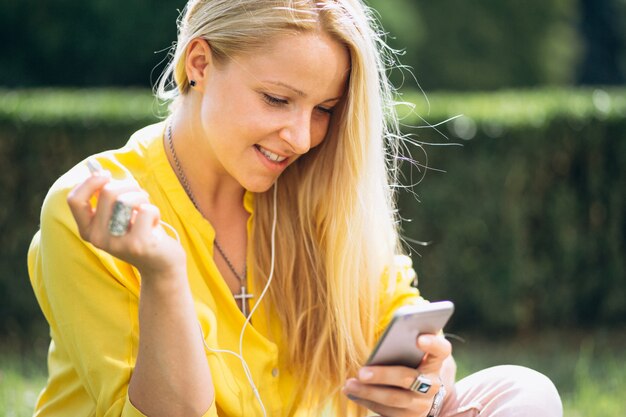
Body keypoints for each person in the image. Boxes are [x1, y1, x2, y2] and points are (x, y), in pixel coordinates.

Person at [27, 0, 563, 416]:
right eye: (277, 99)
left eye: (325, 109)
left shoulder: (319, 187)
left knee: (523, 393)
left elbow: (412, 338)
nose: (302, 137)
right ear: (199, 62)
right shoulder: (96, 208)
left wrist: (424, 385)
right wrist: (164, 274)